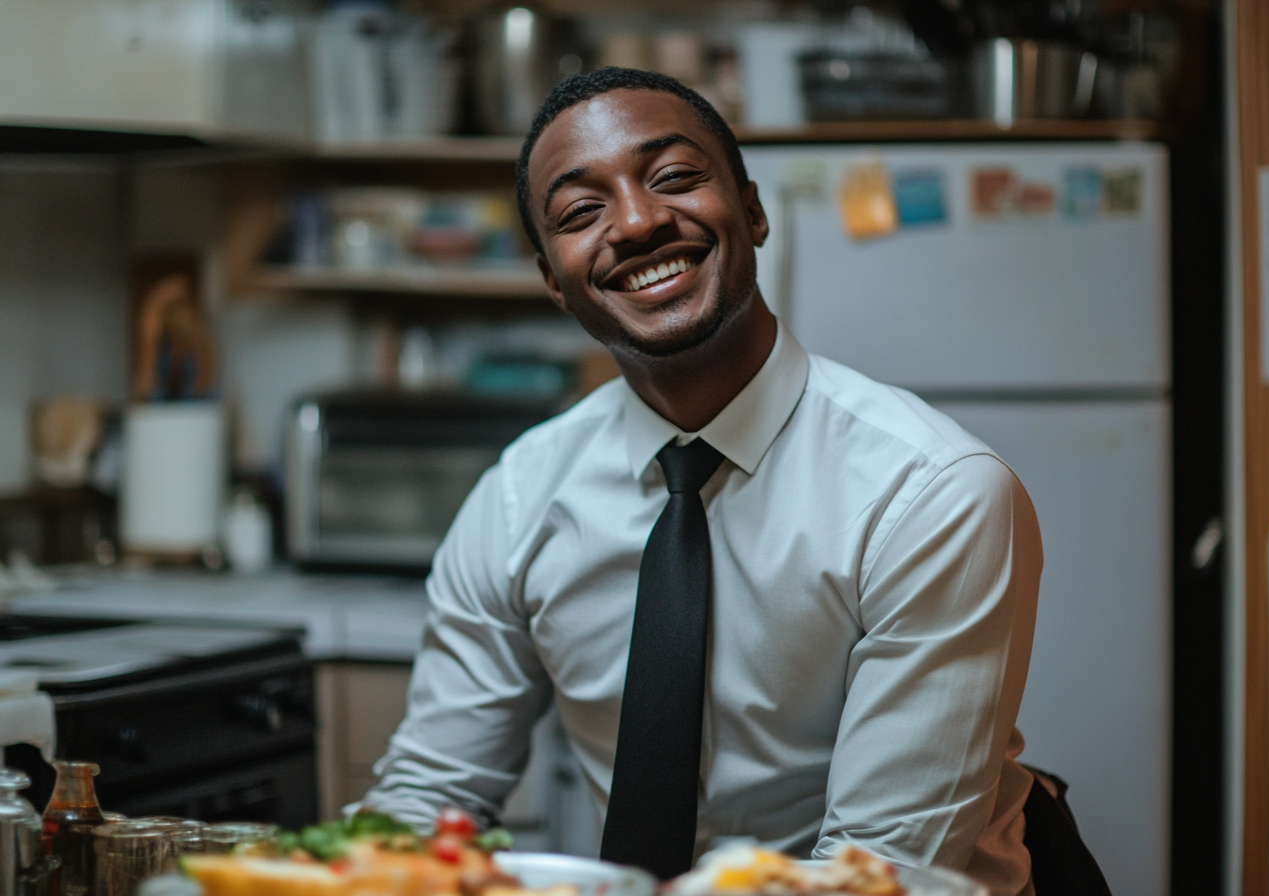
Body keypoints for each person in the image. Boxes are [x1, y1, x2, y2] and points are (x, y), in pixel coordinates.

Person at [362, 68, 1044, 896]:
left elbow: (878, 873)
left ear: (753, 212)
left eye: (674, 177)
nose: (640, 221)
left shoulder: (931, 494)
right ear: (554, 281)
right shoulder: (520, 499)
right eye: (582, 213)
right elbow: (425, 804)